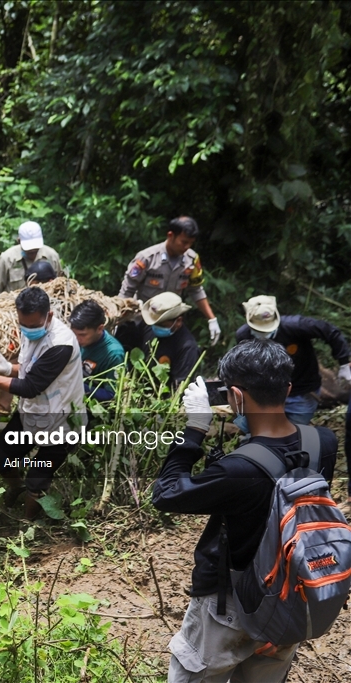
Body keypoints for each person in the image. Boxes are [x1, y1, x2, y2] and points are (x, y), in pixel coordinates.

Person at [152, 339, 338, 682]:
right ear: (288, 388)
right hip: (290, 597)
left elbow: (166, 494)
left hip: (230, 607)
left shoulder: (238, 470)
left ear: (235, 397)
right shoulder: (323, 442)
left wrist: (194, 429)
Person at [0, 287, 87, 521]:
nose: (28, 329)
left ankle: (27, 523)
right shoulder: (31, 330)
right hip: (31, 412)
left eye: (33, 325)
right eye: (24, 324)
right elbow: (29, 368)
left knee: (37, 477)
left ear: (49, 316)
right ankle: (16, 488)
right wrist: (8, 369)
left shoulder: (60, 344)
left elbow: (30, 386)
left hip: (59, 422)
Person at [235, 295, 351, 425]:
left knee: (294, 432)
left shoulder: (295, 326)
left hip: (301, 391)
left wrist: (344, 363)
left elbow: (330, 331)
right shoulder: (244, 336)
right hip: (269, 394)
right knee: (253, 428)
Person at [117, 216, 220, 350]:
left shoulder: (191, 260)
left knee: (188, 349)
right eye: (183, 242)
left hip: (171, 321)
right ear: (171, 235)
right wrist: (119, 318)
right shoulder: (147, 258)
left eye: (190, 243)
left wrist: (212, 319)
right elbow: (126, 291)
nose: (187, 247)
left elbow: (196, 290)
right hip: (143, 319)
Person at [140, 292, 201, 391]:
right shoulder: (149, 325)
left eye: (162, 325)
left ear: (178, 321)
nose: (156, 327)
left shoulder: (187, 348)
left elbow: (180, 388)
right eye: (155, 324)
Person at [69, 300, 125, 402]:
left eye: (82, 335)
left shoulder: (113, 354)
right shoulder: (73, 339)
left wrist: (77, 385)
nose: (76, 339)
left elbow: (112, 394)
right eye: (74, 334)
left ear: (99, 329)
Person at [0, 221, 64, 296]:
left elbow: (60, 285)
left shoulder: (52, 256)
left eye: (35, 250)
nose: (33, 253)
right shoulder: (7, 259)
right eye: (29, 251)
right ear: (19, 241)